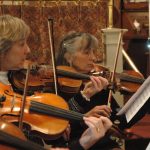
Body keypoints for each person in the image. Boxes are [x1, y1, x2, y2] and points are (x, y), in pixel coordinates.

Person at [0, 15, 113, 150]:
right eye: (21, 44)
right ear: (2, 48)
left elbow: (44, 125)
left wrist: (82, 108)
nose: (28, 50)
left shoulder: (18, 81)